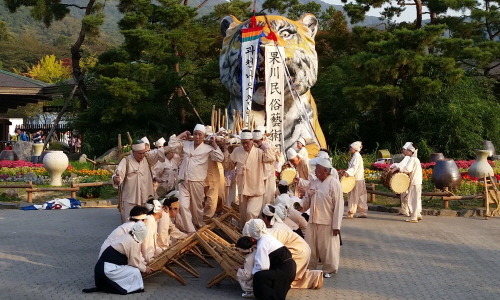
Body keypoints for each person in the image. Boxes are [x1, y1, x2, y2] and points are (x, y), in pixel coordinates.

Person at [168, 124, 224, 233]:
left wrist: (214, 144)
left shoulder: (208, 148)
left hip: (197, 181)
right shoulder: (186, 144)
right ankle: (191, 231)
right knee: (183, 206)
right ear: (193, 134)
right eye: (195, 134)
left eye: (200, 135)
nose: (197, 137)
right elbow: (171, 145)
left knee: (197, 208)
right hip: (183, 180)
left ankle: (198, 226)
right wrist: (182, 134)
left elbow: (220, 157)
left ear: (203, 136)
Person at [299, 156, 344, 278]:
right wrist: (301, 206)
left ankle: (329, 269)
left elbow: (339, 206)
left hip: (327, 221)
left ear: (325, 170)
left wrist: (336, 225)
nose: (315, 171)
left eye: (317, 168)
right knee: (310, 246)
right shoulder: (315, 182)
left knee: (327, 247)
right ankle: (310, 267)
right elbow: (308, 198)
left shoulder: (334, 184)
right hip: (313, 220)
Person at [258, 207, 323, 289]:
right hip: (301, 248)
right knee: (294, 276)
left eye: (262, 218)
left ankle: (314, 278)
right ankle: (314, 277)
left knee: (287, 279)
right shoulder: (277, 225)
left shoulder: (275, 229)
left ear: (266, 218)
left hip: (298, 251)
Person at [222, 129, 275, 226]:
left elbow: (270, 158)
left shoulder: (259, 152)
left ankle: (251, 235)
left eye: (247, 143)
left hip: (256, 190)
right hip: (243, 191)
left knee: (251, 213)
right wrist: (226, 151)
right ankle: (245, 236)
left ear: (252, 140)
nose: (245, 145)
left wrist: (266, 148)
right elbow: (228, 166)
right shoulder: (237, 151)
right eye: (243, 143)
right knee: (243, 218)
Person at [83, 222, 152, 295]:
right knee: (135, 271)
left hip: (104, 266)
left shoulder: (127, 236)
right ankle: (128, 287)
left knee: (134, 269)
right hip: (108, 269)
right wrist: (145, 269)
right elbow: (134, 262)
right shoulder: (132, 241)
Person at [112, 140, 169, 222]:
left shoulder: (147, 158)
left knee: (147, 222)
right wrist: (116, 179)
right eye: (140, 153)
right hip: (130, 200)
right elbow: (118, 175)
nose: (142, 155)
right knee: (130, 223)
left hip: (146, 198)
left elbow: (162, 150)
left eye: (143, 153)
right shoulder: (126, 161)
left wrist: (179, 137)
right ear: (133, 152)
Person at [245, 219, 296, 300]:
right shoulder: (267, 237)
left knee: (259, 276)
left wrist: (251, 273)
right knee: (262, 275)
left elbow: (263, 266)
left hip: (284, 271)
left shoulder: (262, 243)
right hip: (289, 268)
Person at [390, 142, 423, 223]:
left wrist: (398, 169)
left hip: (414, 182)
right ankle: (417, 214)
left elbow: (408, 169)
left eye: (407, 150)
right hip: (417, 182)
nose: (406, 151)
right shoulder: (415, 159)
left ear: (411, 151)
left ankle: (414, 217)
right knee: (417, 199)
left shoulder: (412, 159)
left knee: (413, 199)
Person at [253, 127, 276, 207]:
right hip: (257, 174)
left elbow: (272, 158)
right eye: (255, 141)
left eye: (258, 141)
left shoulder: (268, 145)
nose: (256, 142)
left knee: (267, 196)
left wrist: (265, 149)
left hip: (268, 175)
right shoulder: (252, 146)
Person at [344, 141, 368, 218]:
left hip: (356, 179)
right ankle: (363, 211)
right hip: (359, 178)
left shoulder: (356, 156)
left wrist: (348, 173)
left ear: (355, 149)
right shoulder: (356, 156)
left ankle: (351, 211)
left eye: (351, 147)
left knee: (354, 195)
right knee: (361, 195)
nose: (350, 149)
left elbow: (354, 167)